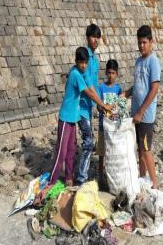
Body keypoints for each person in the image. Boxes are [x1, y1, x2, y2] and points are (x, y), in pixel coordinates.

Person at [50, 47, 112, 186]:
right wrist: (103, 105)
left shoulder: (82, 72)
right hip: (66, 118)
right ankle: (51, 182)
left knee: (71, 150)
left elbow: (92, 88)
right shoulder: (75, 74)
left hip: (74, 118)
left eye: (85, 62)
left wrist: (102, 104)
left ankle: (69, 179)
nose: (83, 65)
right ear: (76, 62)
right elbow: (89, 93)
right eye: (80, 62)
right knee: (61, 151)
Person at [123, 25, 161, 189]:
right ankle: (142, 179)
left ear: (151, 42)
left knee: (146, 149)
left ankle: (155, 185)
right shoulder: (138, 61)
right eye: (139, 43)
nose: (142, 46)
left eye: (144, 42)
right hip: (136, 114)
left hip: (145, 115)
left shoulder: (154, 61)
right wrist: (126, 93)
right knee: (139, 149)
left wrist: (140, 112)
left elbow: (154, 89)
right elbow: (138, 84)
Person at [76, 24, 101, 185]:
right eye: (93, 37)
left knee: (88, 141)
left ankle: (82, 173)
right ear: (87, 37)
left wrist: (99, 102)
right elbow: (87, 87)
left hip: (89, 106)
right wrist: (101, 103)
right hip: (80, 107)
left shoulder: (95, 60)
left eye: (98, 37)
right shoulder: (83, 57)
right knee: (88, 143)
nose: (96, 40)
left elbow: (95, 84)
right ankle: (81, 178)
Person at [96, 59, 122, 188]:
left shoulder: (118, 89)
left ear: (116, 73)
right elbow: (98, 105)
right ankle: (100, 174)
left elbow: (121, 106)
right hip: (103, 126)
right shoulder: (101, 88)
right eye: (109, 73)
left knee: (113, 151)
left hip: (114, 127)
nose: (111, 75)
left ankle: (112, 172)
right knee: (102, 151)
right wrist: (104, 108)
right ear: (106, 72)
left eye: (113, 73)